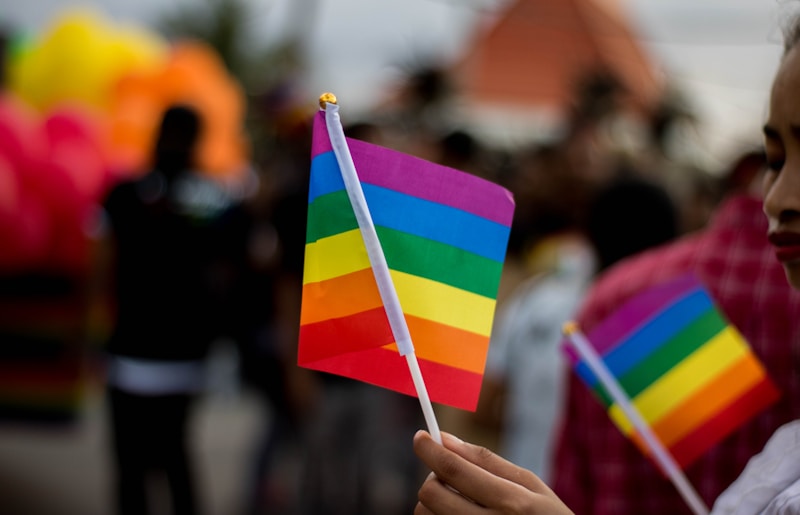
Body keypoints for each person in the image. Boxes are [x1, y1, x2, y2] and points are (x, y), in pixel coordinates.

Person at [412, 14, 800, 514]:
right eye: (775, 158)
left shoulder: (608, 305)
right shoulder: (779, 458)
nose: (778, 198)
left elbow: (523, 433)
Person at [99, 105, 242, 515]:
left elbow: (101, 263)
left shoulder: (125, 192)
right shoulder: (218, 198)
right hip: (186, 355)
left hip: (132, 350)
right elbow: (235, 270)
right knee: (175, 455)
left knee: (132, 465)